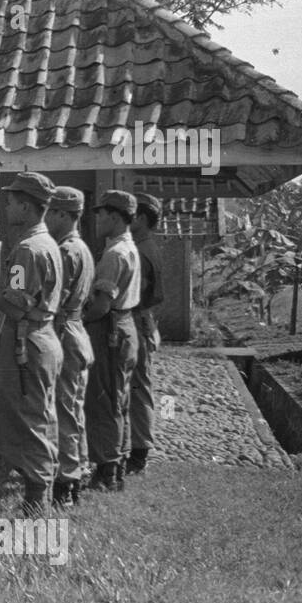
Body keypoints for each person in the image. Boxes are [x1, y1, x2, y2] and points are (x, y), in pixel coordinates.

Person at [0, 172, 64, 515]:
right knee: (40, 414)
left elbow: (15, 305)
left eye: (11, 202)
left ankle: (37, 503)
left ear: (25, 205)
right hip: (42, 336)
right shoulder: (46, 243)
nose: (6, 208)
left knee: (29, 418)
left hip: (26, 341)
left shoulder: (27, 250)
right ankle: (41, 490)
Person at [83, 190, 142, 491]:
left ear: (116, 217)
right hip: (125, 325)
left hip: (110, 330)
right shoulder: (127, 248)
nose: (97, 219)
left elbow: (101, 306)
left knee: (104, 399)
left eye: (102, 214)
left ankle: (107, 471)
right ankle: (116, 464)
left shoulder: (114, 254)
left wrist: (77, 319)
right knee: (120, 399)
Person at [45, 186, 95, 507]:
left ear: (65, 215)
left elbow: (55, 299)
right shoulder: (82, 248)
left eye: (51, 212)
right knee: (73, 408)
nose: (47, 218)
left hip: (64, 330)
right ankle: (80, 469)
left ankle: (67, 481)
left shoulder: (65, 252)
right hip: (77, 330)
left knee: (62, 411)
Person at [127, 192, 164, 475]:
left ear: (140, 218)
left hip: (137, 322)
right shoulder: (144, 245)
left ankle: (139, 453)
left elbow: (135, 295)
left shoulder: (141, 250)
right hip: (143, 321)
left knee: (139, 390)